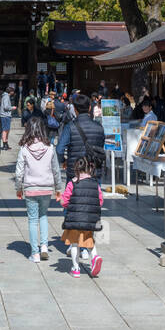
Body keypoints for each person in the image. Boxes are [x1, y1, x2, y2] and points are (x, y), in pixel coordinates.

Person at [14, 115, 62, 262]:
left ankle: (35, 253)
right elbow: (56, 170)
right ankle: (44, 246)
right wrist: (58, 188)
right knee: (43, 215)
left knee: (32, 219)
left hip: (30, 188)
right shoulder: (50, 148)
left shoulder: (24, 149)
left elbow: (19, 171)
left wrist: (19, 187)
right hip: (46, 187)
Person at [60, 149, 104, 278]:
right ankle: (95, 257)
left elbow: (65, 201)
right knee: (89, 240)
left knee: (74, 244)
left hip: (74, 219)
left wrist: (63, 202)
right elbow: (100, 201)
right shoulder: (95, 184)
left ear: (76, 169)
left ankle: (76, 268)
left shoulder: (72, 183)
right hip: (90, 219)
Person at [57, 93, 105, 180]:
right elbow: (101, 146)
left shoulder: (70, 127)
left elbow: (59, 149)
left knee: (72, 192)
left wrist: (64, 161)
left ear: (75, 109)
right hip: (93, 171)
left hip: (75, 170)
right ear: (90, 107)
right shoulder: (99, 127)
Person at [0, 86, 13, 151]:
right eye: (13, 91)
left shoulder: (5, 96)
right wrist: (12, 108)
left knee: (6, 130)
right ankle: (4, 144)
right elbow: (6, 107)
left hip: (5, 115)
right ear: (11, 91)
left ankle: (6, 144)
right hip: (5, 115)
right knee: (5, 130)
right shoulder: (6, 97)